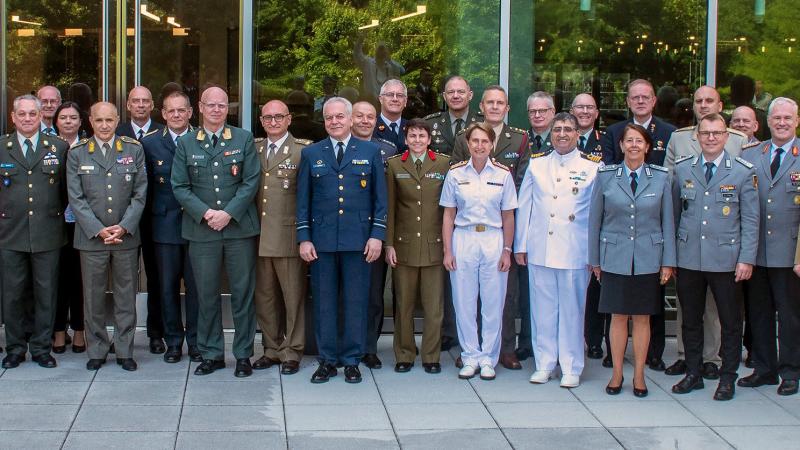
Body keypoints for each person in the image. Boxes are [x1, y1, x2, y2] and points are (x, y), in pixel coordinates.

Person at [296, 97, 388, 384]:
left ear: (350, 119)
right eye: (328, 118)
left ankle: (352, 360)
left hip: (358, 241)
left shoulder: (370, 151)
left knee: (355, 301)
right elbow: (303, 201)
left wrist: (377, 236)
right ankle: (327, 360)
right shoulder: (311, 153)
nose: (334, 122)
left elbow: (380, 200)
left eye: (339, 117)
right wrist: (304, 238)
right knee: (324, 302)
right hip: (322, 241)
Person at [171, 87, 260, 378]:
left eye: (222, 105)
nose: (216, 110)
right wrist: (208, 214)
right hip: (202, 231)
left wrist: (228, 213)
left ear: (227, 109)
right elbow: (180, 186)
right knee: (206, 294)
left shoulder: (243, 138)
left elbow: (250, 182)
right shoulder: (186, 143)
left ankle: (244, 354)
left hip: (238, 230)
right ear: (200, 107)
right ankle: (211, 354)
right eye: (211, 105)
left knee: (242, 294)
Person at [670, 113, 759, 401]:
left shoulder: (743, 171)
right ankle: (693, 373)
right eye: (705, 133)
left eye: (717, 133)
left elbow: (751, 220)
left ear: (726, 136)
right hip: (689, 258)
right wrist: (670, 258)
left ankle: (727, 378)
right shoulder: (684, 169)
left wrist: (746, 259)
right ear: (697, 136)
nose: (710, 138)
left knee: (730, 321)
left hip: (726, 259)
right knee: (691, 320)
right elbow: (674, 215)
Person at [662, 85, 749, 379]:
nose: (703, 105)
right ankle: (691, 360)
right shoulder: (679, 141)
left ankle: (714, 360)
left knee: (720, 312)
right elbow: (672, 199)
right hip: (690, 248)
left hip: (723, 249)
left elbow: (748, 210)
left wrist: (745, 256)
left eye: (709, 100)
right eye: (698, 101)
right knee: (690, 311)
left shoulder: (739, 144)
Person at [588, 123, 676, 397]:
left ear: (648, 147)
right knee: (617, 317)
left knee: (641, 319)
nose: (634, 146)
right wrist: (595, 261)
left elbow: (668, 224)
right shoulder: (605, 176)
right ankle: (616, 374)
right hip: (614, 256)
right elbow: (595, 222)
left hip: (648, 258)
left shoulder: (662, 178)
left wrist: (668, 262)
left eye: (639, 141)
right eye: (629, 141)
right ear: (622, 146)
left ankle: (639, 375)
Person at [515, 112, 601, 388]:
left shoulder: (592, 167)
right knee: (542, 309)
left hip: (575, 250)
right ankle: (544, 363)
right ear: (550, 134)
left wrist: (594, 254)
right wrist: (521, 244)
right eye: (557, 130)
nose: (562, 134)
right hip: (541, 247)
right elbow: (525, 206)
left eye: (568, 129)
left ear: (578, 134)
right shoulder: (537, 165)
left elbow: (596, 216)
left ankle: (572, 365)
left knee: (573, 310)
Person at [452, 85, 529, 370]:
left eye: (501, 103)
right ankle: (470, 351)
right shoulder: (464, 139)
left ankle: (502, 349)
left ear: (507, 107)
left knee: (503, 297)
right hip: (468, 231)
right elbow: (458, 179)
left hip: (501, 226)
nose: (495, 107)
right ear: (481, 106)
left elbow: (522, 182)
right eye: (490, 102)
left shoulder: (519, 139)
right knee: (467, 297)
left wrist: (510, 243)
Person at [67, 101, 148, 372]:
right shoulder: (78, 152)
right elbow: (75, 198)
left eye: (109, 120)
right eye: (99, 120)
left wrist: (123, 226)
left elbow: (140, 192)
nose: (104, 126)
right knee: (93, 297)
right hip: (91, 238)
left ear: (117, 121)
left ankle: (125, 350)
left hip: (125, 237)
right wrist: (97, 229)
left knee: (126, 296)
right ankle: (97, 349)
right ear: (90, 121)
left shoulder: (133, 149)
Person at [441, 122, 517, 381]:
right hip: (464, 238)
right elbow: (448, 214)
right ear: (467, 143)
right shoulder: (455, 174)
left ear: (492, 144)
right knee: (464, 301)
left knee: (493, 302)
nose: (480, 146)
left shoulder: (503, 175)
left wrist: (507, 250)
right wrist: (448, 250)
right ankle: (470, 355)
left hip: (493, 239)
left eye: (485, 141)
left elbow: (508, 216)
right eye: (475, 141)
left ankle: (488, 358)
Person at [0, 95, 69, 369]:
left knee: (46, 292)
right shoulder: (2, 148)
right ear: (13, 117)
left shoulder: (59, 147)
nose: (27, 118)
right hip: (10, 233)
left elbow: (66, 193)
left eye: (32, 114)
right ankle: (15, 348)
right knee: (13, 293)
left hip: (48, 231)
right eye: (22, 114)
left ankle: (42, 348)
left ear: (41, 117)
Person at [739, 97, 800, 396]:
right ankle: (764, 368)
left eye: (788, 118)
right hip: (757, 251)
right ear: (768, 121)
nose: (782, 122)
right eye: (777, 118)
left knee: (790, 316)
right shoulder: (752, 154)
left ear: (797, 121)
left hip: (791, 254)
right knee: (758, 313)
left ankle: (791, 370)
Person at [140, 91, 201, 364]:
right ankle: (173, 341)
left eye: (182, 110)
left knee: (197, 287)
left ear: (190, 113)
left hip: (198, 225)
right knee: (167, 288)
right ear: (163, 114)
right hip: (164, 225)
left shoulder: (203, 139)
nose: (177, 115)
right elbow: (145, 189)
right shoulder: (150, 144)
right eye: (171, 111)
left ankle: (197, 341)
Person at [251, 100, 311, 375]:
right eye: (268, 118)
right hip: (259, 235)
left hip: (287, 235)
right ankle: (271, 349)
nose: (273, 122)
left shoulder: (302, 150)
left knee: (292, 297)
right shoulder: (254, 148)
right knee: (265, 297)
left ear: (289, 119)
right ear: (261, 121)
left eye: (279, 117)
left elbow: (308, 197)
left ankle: (293, 350)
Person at [385, 119, 450, 373]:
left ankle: (431, 356)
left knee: (434, 307)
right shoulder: (394, 165)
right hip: (404, 246)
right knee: (404, 305)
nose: (417, 140)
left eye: (422, 136)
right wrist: (388, 244)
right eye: (412, 135)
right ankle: (404, 354)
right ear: (406, 137)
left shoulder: (443, 164)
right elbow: (390, 209)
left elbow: (448, 208)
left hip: (434, 245)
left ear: (429, 138)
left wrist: (449, 245)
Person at [116, 85, 166, 355]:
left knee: (156, 278)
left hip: (155, 217)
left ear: (153, 105)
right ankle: (122, 337)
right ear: (127, 105)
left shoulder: (163, 131)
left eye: (145, 101)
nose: (140, 105)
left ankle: (155, 333)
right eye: (135, 101)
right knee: (124, 279)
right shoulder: (116, 132)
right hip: (123, 218)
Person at [351, 100, 398, 369]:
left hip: (375, 230)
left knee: (373, 294)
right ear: (350, 118)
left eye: (370, 117)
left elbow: (390, 194)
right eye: (360, 116)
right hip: (347, 230)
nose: (366, 121)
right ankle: (348, 343)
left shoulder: (388, 150)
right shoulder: (338, 148)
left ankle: (369, 347)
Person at [571, 93, 611, 365]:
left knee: (595, 289)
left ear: (597, 113)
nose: (584, 112)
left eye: (589, 108)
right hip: (569, 228)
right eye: (579, 107)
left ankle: (594, 341)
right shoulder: (561, 140)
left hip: (594, 224)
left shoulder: (605, 141)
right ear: (571, 111)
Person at [52, 101, 88, 354]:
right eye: (63, 117)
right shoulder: (48, 147)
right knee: (56, 280)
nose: (68, 121)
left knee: (80, 280)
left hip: (83, 224)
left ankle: (80, 330)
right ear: (56, 121)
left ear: (80, 121)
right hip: (54, 224)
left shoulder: (88, 147)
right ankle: (57, 331)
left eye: (73, 117)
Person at [602, 79, 675, 166]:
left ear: (654, 101)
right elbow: (609, 170)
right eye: (635, 97)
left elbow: (671, 171)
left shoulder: (669, 132)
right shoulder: (613, 132)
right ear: (628, 102)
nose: (640, 101)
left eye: (645, 97)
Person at [424, 76, 483, 157]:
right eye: (451, 92)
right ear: (444, 96)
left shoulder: (483, 123)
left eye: (461, 92)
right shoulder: (429, 124)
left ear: (470, 95)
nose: (455, 96)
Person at [353, 36, 405, 103]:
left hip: (386, 102)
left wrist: (389, 59)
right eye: (380, 49)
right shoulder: (368, 63)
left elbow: (402, 71)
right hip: (371, 101)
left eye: (383, 50)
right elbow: (357, 54)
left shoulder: (390, 66)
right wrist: (360, 40)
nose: (381, 52)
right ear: (375, 51)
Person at [374, 79, 409, 151]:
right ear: (381, 99)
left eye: (400, 95)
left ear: (405, 101)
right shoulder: (371, 126)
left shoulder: (412, 127)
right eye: (390, 95)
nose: (395, 99)